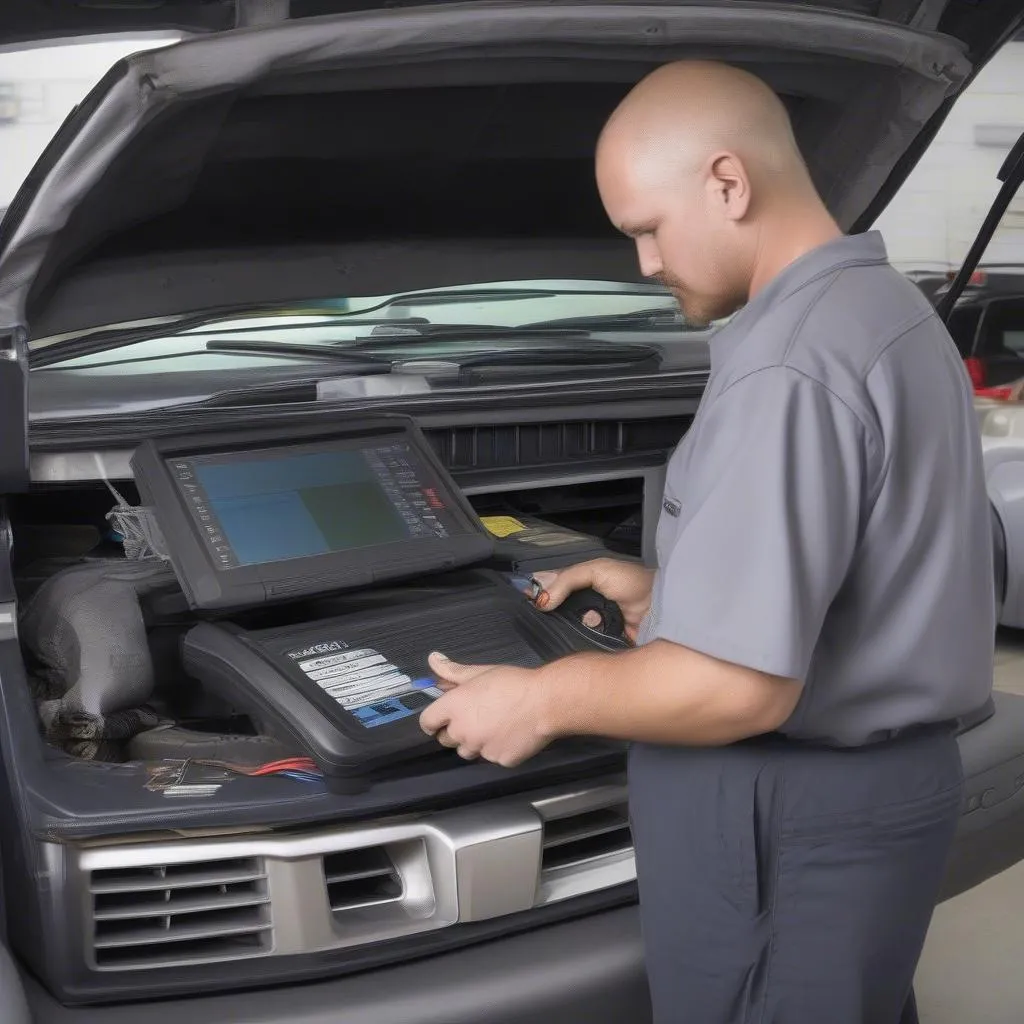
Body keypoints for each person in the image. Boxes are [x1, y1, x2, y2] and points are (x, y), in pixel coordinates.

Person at [420, 60, 995, 1023]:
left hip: (790, 820)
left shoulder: (789, 366)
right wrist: (674, 587)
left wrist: (542, 699)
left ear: (728, 183)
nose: (644, 264)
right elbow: (871, 564)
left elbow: (735, 685)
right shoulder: (883, 313)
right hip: (870, 805)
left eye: (647, 227)